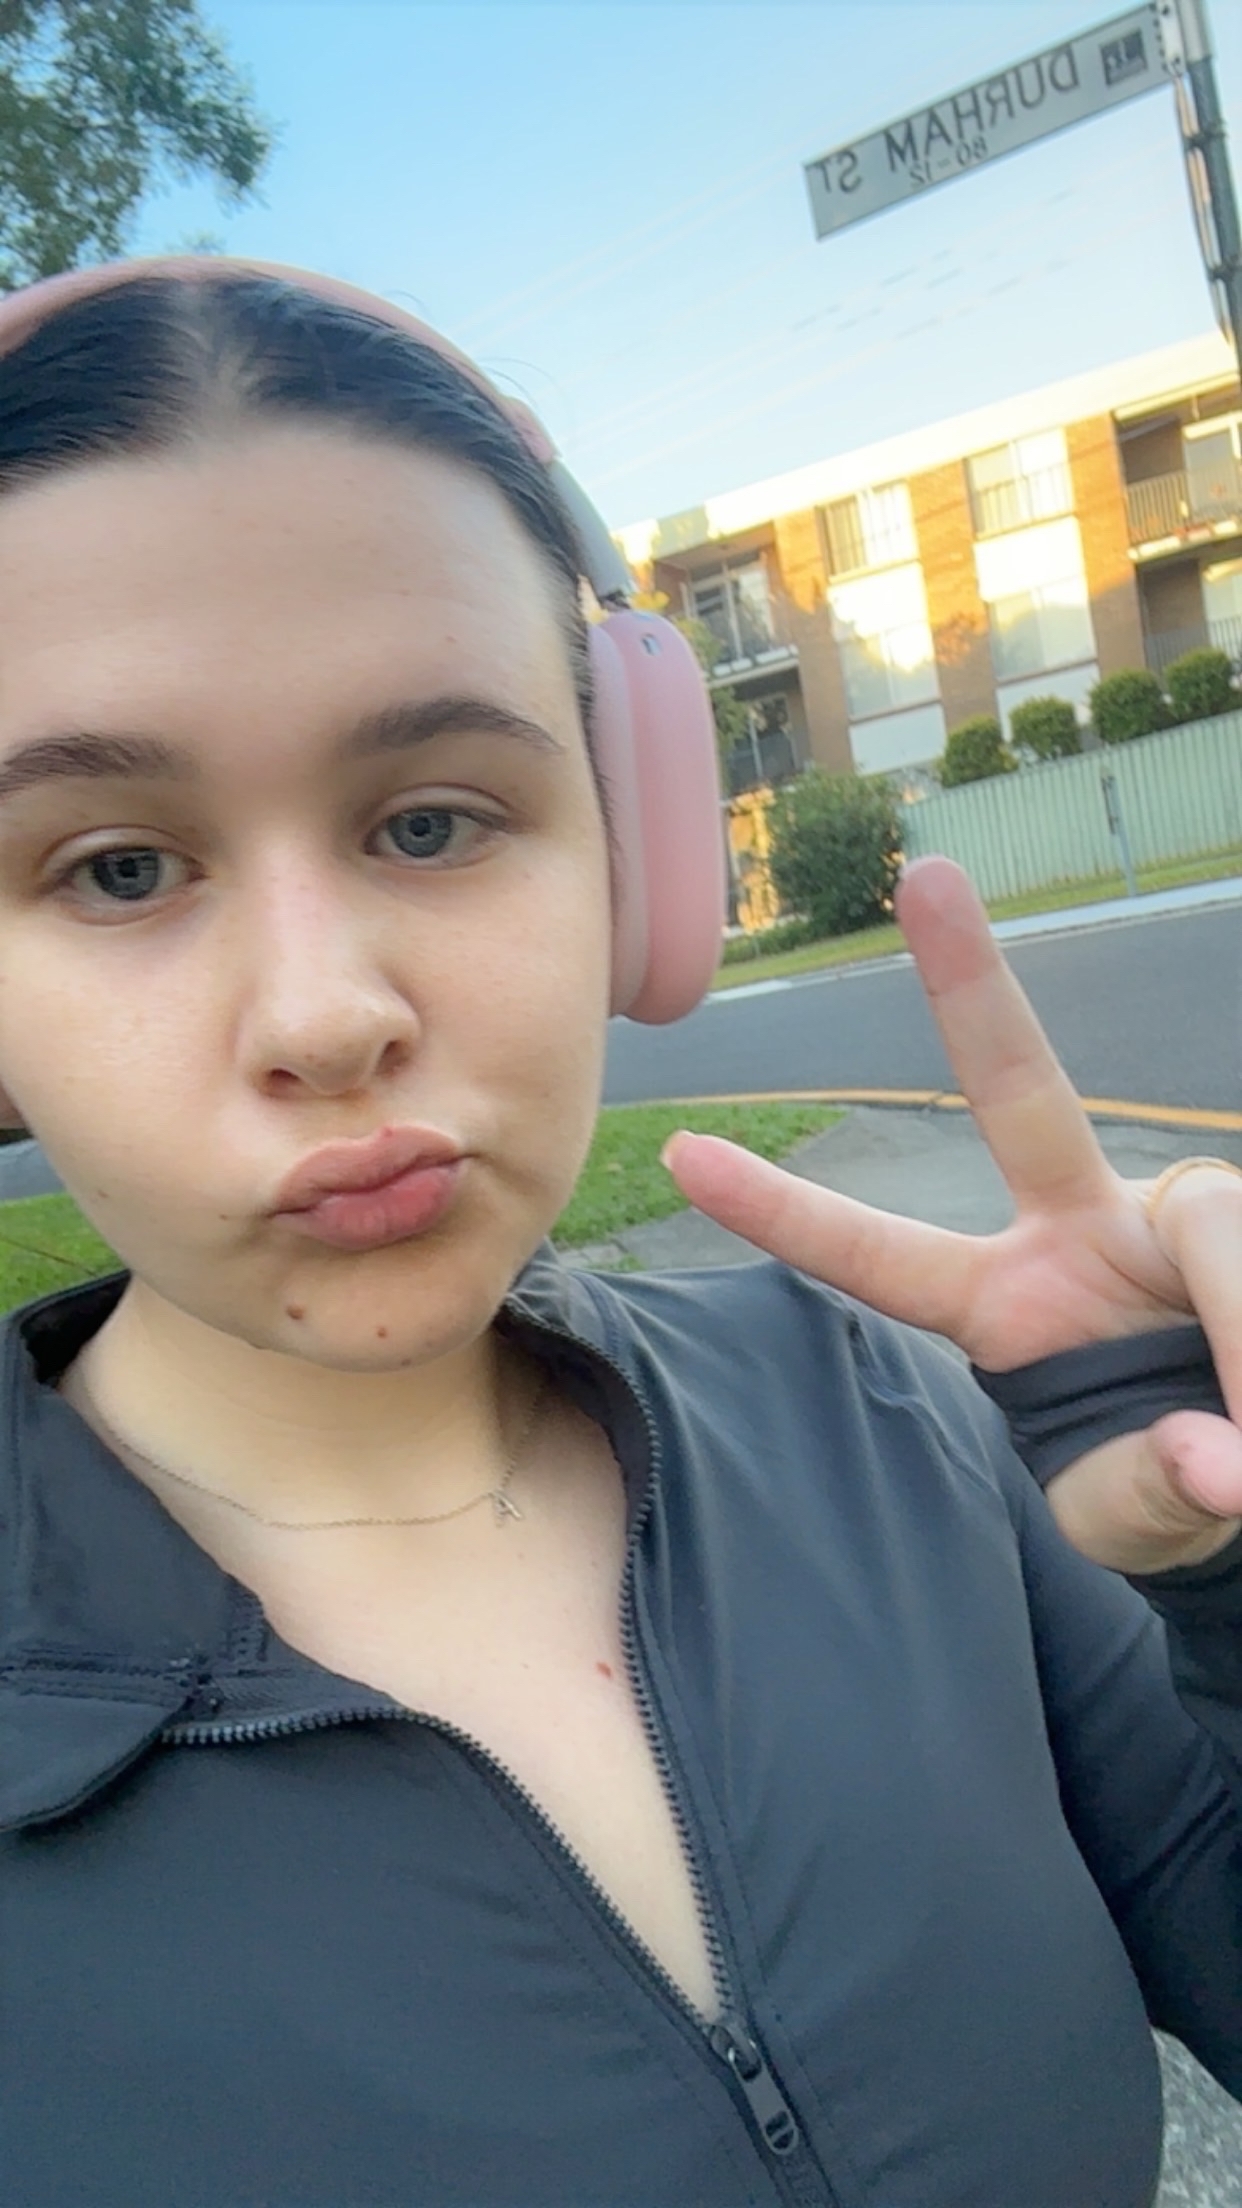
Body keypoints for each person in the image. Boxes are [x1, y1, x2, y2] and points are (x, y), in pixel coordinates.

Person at [0, 258, 1238, 2208]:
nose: (327, 1017)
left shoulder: (887, 1420)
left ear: (633, 855)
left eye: (430, 821)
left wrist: (1223, 1568)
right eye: (121, 867)